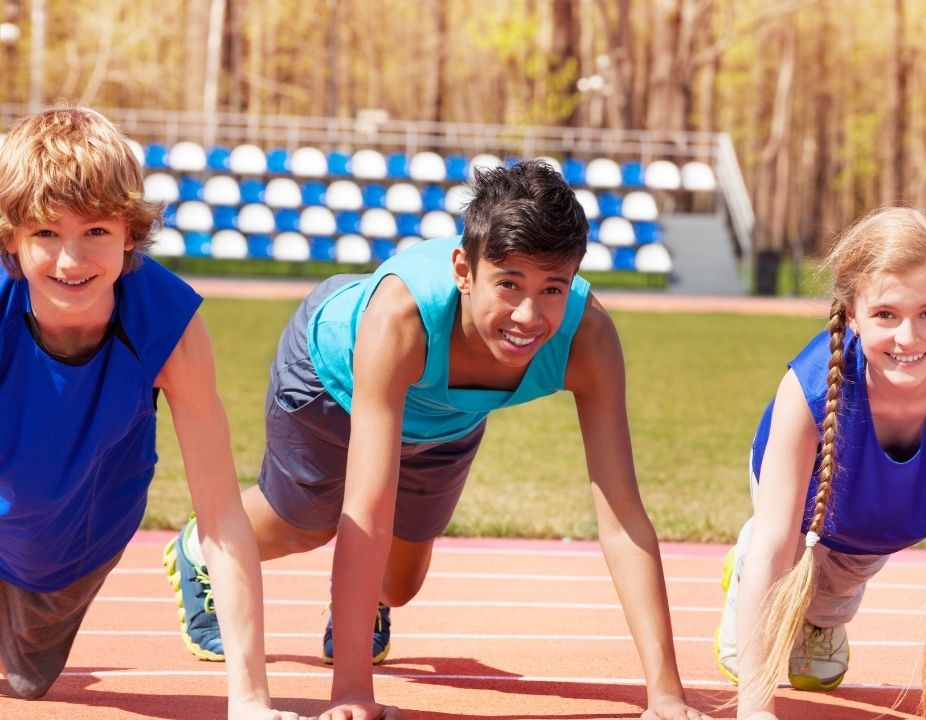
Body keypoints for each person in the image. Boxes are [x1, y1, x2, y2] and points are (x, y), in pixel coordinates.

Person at [173, 160, 710, 720]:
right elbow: (368, 508)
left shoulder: (588, 337)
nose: (529, 315)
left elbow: (622, 514)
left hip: (446, 417)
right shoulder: (401, 314)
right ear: (464, 269)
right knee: (308, 524)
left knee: (399, 585)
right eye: (508, 284)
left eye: (553, 288)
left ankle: (361, 608)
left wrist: (667, 698)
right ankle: (199, 545)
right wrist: (352, 692)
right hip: (333, 381)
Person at [0, 107, 297, 719]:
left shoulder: (167, 326)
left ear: (130, 233)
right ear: (12, 240)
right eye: (46, 234)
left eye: (96, 232)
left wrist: (250, 702)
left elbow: (220, 516)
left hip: (71, 539)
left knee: (22, 685)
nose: (70, 260)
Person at [715, 207, 926, 720]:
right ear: (852, 314)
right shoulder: (811, 387)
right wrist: (755, 710)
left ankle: (820, 619)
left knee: (828, 600)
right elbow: (778, 543)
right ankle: (748, 576)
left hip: (895, 518)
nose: (908, 338)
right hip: (806, 513)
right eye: (886, 314)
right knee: (783, 558)